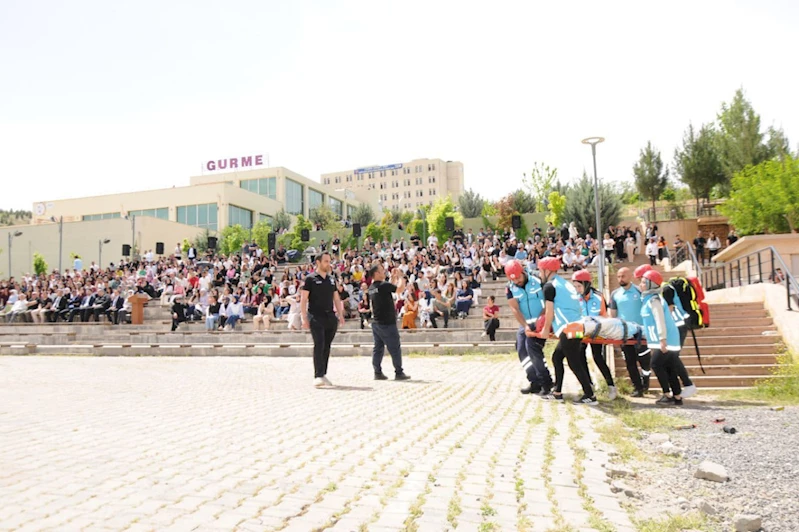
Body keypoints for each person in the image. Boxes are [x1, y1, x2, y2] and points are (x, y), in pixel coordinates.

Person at [535, 257, 597, 405]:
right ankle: (557, 392)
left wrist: (545, 330)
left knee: (574, 362)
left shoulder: (549, 286)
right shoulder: (564, 283)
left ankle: (590, 395)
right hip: (577, 325)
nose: (539, 273)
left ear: (547, 270)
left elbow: (549, 311)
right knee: (557, 357)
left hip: (568, 327)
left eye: (540, 270)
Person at [504, 260, 554, 396]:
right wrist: (525, 326)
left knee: (533, 349)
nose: (517, 281)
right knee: (521, 349)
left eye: (518, 277)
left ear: (523, 271)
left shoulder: (538, 279)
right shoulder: (510, 287)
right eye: (513, 279)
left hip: (542, 321)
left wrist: (542, 319)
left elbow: (549, 300)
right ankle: (534, 382)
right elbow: (514, 308)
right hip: (525, 323)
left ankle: (546, 382)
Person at [639, 269, 686, 407]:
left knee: (656, 364)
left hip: (666, 339)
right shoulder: (650, 299)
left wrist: (662, 339)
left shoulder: (654, 300)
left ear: (651, 284)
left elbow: (659, 320)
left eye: (643, 282)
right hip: (666, 339)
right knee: (669, 366)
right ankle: (677, 396)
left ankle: (667, 394)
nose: (641, 285)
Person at [301, 252, 346, 388]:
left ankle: (323, 373)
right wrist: (304, 318)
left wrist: (340, 314)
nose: (328, 264)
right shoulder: (310, 279)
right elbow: (304, 299)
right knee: (319, 344)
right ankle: (318, 375)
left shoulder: (331, 279)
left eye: (329, 261)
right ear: (318, 262)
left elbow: (336, 298)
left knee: (326, 346)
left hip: (330, 316)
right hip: (315, 316)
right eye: (326, 261)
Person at [571, 269, 617, 400]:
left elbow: (604, 315)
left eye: (579, 286)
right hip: (580, 330)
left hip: (597, 331)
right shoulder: (574, 297)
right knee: (579, 355)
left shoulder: (598, 297)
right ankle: (588, 385)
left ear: (586, 284)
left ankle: (611, 386)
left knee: (598, 357)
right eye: (575, 286)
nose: (577, 289)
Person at [610, 267, 652, 397]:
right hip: (625, 333)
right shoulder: (615, 294)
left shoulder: (639, 291)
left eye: (623, 276)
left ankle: (645, 381)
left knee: (645, 361)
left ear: (630, 276)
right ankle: (637, 388)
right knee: (630, 362)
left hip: (641, 333)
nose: (620, 279)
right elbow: (613, 315)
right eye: (618, 276)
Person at [367, 263, 411, 381]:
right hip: (387, 322)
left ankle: (377, 372)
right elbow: (399, 289)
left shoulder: (371, 288)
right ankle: (399, 372)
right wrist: (401, 277)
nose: (384, 272)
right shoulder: (383, 285)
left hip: (376, 322)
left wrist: (393, 277)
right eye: (382, 270)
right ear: (377, 273)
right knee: (394, 347)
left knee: (378, 348)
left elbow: (388, 287)